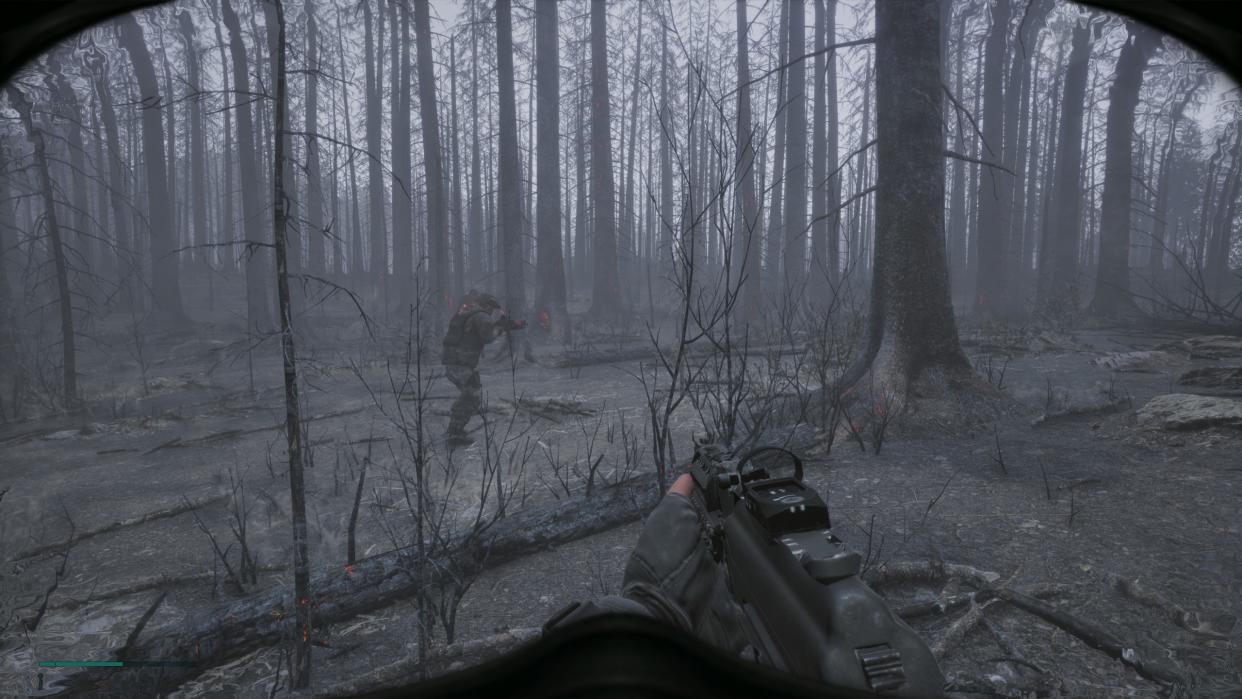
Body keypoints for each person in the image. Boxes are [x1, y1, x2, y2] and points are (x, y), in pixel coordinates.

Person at [441, 290, 525, 447]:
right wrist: (502, 327)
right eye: (491, 308)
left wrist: (506, 325)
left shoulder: (465, 311)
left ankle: (455, 429)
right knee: (471, 396)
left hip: (454, 361)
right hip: (462, 363)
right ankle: (454, 432)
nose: (492, 312)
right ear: (487, 305)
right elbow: (488, 336)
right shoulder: (481, 315)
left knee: (470, 394)